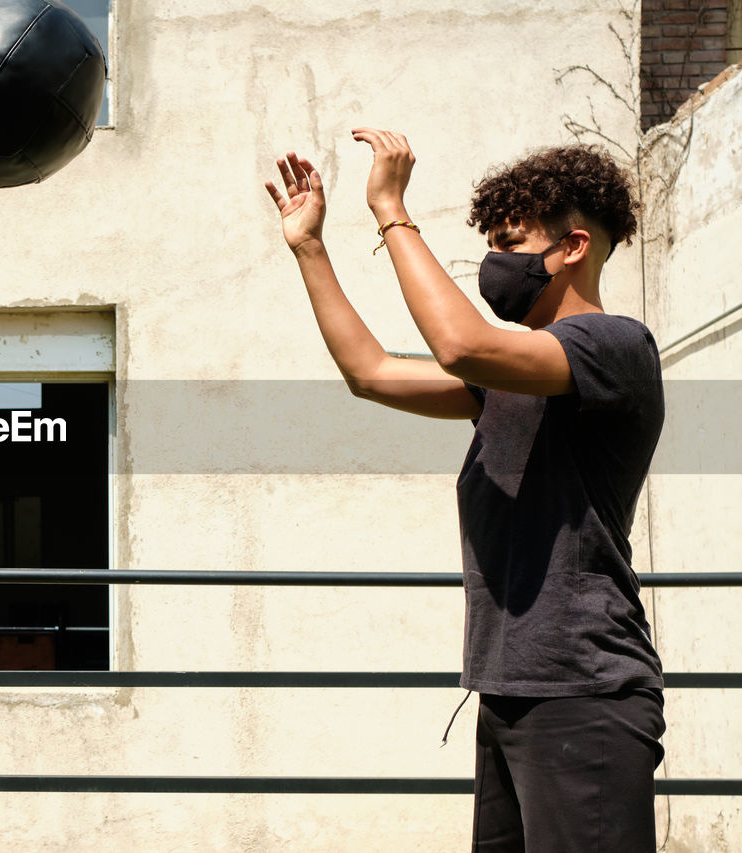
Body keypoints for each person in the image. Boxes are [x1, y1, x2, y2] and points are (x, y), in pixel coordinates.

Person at [265, 130, 664, 852]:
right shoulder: (504, 381)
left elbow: (461, 343)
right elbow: (374, 372)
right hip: (510, 690)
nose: (496, 261)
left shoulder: (614, 347)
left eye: (512, 241)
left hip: (585, 695)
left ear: (573, 246)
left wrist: (390, 208)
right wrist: (310, 247)